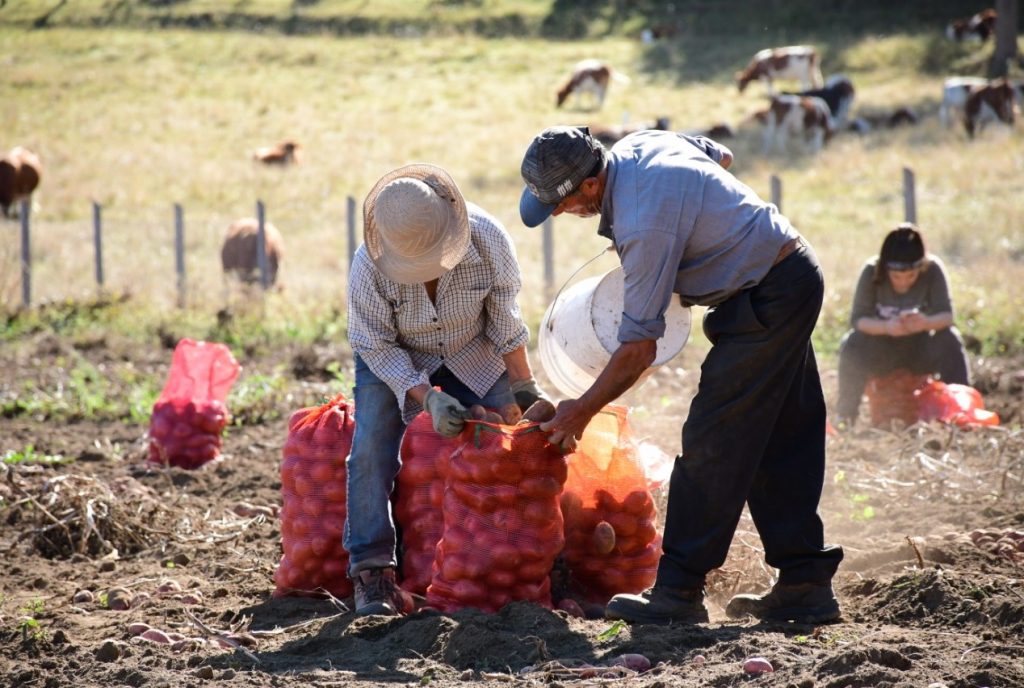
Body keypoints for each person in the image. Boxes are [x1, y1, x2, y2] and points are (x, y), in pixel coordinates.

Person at [518, 126, 844, 625]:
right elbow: (724, 154)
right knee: (782, 437)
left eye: (560, 204)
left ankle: (679, 591)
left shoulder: (644, 227)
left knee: (715, 439)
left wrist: (580, 412)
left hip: (768, 294)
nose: (560, 214)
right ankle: (805, 584)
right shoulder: (638, 144)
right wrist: (702, 220)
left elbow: (639, 346)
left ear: (588, 186)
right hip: (787, 273)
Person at [345, 163, 548, 616]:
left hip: (472, 348)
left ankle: (530, 555)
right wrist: (428, 397)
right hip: (396, 357)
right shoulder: (369, 267)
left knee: (516, 444)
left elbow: (505, 320)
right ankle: (372, 571)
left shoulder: (487, 238)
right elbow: (374, 345)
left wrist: (524, 388)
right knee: (369, 452)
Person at [835, 223, 970, 428]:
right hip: (882, 350)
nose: (903, 283)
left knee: (949, 339)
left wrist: (925, 323)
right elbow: (858, 320)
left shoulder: (933, 270)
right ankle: (846, 415)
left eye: (911, 276)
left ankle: (961, 411)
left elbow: (947, 316)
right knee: (852, 343)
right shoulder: (871, 271)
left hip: (919, 349)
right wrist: (887, 327)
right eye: (896, 276)